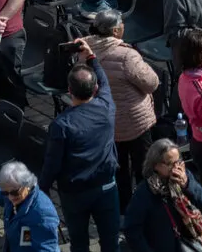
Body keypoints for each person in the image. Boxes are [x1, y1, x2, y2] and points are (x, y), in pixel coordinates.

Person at [43, 44, 121, 252]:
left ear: (69, 91)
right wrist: (91, 57)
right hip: (106, 187)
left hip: (74, 193)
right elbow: (104, 82)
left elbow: (52, 164)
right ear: (95, 90)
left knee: (78, 243)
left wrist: (42, 192)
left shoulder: (61, 125)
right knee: (110, 240)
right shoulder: (106, 107)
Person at [121, 138, 202, 252]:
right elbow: (132, 229)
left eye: (179, 161)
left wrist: (187, 185)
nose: (177, 168)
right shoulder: (144, 193)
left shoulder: (184, 177)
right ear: (156, 165)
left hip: (190, 243)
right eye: (171, 164)